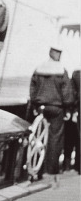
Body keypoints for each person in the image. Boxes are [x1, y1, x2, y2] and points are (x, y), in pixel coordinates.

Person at [30, 44, 74, 181]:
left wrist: (34, 104)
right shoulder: (62, 70)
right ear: (58, 54)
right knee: (55, 138)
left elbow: (33, 88)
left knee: (38, 137)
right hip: (56, 108)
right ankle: (51, 168)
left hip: (40, 107)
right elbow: (67, 93)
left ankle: (38, 167)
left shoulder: (39, 68)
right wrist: (68, 108)